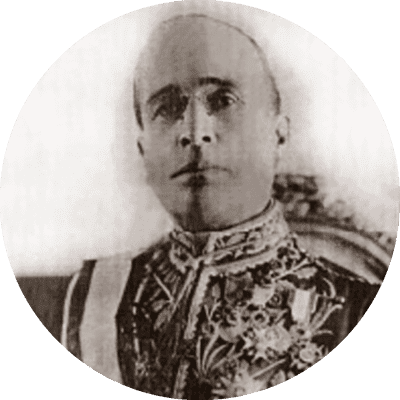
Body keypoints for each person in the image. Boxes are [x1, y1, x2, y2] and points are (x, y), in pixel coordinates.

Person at [22, 14, 381, 399]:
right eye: (167, 107)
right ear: (144, 151)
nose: (194, 132)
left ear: (278, 132)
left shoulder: (361, 312)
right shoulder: (84, 302)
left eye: (223, 100)